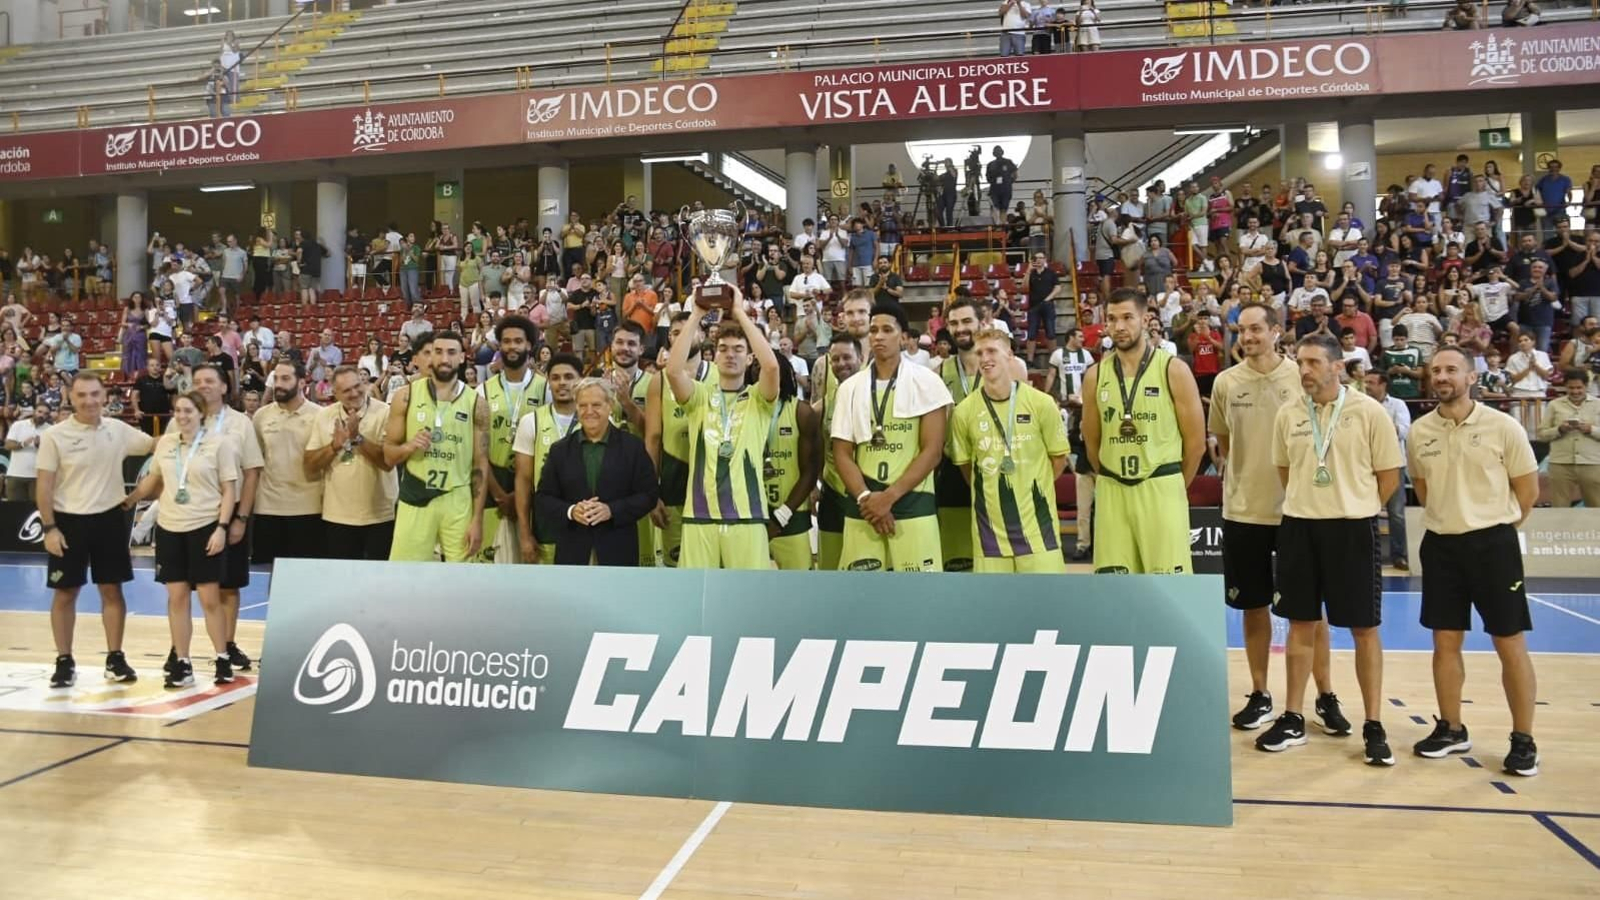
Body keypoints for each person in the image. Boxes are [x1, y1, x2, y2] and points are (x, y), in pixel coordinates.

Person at [1261, 333, 1403, 766]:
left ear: (1337, 366)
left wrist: (1355, 507)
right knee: (1300, 625)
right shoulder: (1288, 414)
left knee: (1363, 630)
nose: (1304, 370)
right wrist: (1313, 503)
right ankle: (1293, 716)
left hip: (1352, 530)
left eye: (1313, 363)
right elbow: (1287, 471)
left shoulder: (1368, 412)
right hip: (1300, 528)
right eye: (1300, 362)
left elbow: (1389, 476)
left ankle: (1374, 725)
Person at [1210, 306, 1346, 734]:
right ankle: (1260, 693)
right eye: (1242, 329)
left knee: (1310, 611)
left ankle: (1324, 695)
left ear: (1275, 331)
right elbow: (1227, 442)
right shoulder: (1225, 382)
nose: (1248, 336)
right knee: (1253, 605)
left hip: (1299, 510)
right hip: (1244, 510)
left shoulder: (1300, 376)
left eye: (1256, 328)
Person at [1407, 346, 1541, 776]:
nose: (1442, 376)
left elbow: (1528, 492)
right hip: (1442, 546)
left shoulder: (1504, 426)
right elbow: (1424, 490)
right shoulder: (1420, 431)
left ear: (1470, 378)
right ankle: (1451, 727)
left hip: (1494, 547)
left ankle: (1523, 739)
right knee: (1445, 643)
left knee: (1509, 642)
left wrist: (1491, 526)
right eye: (1436, 370)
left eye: (1451, 370)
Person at [35, 373, 157, 688]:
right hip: (68, 521)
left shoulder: (118, 430)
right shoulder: (55, 436)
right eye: (82, 395)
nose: (89, 401)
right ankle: (64, 660)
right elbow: (44, 487)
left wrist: (194, 429)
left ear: (105, 396)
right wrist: (49, 528)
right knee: (65, 593)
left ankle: (115, 658)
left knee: (112, 590)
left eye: (94, 394)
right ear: (71, 398)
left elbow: (158, 446)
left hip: (109, 520)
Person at [1079, 289, 1206, 574]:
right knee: (1115, 592)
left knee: (1167, 589)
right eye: (1112, 319)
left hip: (1161, 487)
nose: (1119, 326)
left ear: (1146, 319)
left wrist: (1171, 484)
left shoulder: (1173, 369)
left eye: (1127, 317)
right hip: (1113, 490)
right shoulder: (1094, 376)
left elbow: (1196, 444)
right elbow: (1092, 441)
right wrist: (1112, 476)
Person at [123, 391, 238, 688]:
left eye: (188, 410)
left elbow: (229, 490)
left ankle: (222, 657)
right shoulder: (166, 444)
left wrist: (222, 528)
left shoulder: (219, 444)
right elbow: (154, 480)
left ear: (201, 413)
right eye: (178, 411)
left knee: (210, 599)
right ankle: (183, 662)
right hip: (170, 529)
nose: (182, 416)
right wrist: (130, 499)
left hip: (204, 526)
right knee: (177, 598)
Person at [830, 302, 952, 571]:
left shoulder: (928, 382)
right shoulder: (850, 388)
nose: (878, 336)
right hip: (863, 507)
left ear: (904, 337)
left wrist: (889, 497)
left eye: (887, 329)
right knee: (860, 602)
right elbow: (841, 453)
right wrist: (866, 498)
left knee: (920, 600)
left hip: (913, 503)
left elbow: (932, 451)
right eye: (873, 330)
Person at [665, 287, 781, 569]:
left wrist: (740, 313)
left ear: (749, 358)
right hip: (699, 515)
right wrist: (696, 314)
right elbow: (672, 371)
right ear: (713, 356)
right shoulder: (701, 395)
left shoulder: (758, 398)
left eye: (739, 350)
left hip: (747, 515)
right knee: (694, 600)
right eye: (723, 349)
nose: (730, 355)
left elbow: (772, 368)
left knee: (749, 601)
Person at [949, 329, 1070, 573]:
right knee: (994, 608)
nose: (984, 358)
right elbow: (966, 466)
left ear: (1009, 355)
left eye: (991, 351)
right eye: (979, 353)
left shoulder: (1041, 403)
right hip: (989, 532)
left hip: (1039, 528)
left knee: (1045, 605)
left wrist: (1032, 482)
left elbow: (1059, 458)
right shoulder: (963, 411)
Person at [383, 331, 490, 562]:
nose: (444, 358)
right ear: (430, 358)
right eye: (438, 352)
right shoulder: (406, 396)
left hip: (457, 498)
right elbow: (389, 456)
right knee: (405, 576)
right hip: (416, 495)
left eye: (451, 352)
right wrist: (409, 447)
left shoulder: (477, 404)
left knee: (462, 577)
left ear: (462, 357)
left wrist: (478, 519)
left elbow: (480, 464)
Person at [533, 377, 660, 566]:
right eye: (583, 405)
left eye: (596, 405)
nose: (589, 411)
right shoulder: (559, 450)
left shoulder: (632, 447)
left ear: (610, 406)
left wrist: (612, 510)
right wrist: (571, 511)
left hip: (618, 549)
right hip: (572, 550)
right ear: (576, 407)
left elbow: (649, 495)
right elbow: (543, 498)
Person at [190, 363, 261, 673]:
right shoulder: (184, 417)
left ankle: (228, 645)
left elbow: (251, 472)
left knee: (229, 585)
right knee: (188, 588)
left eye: (209, 381)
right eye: (197, 381)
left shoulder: (240, 423)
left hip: (228, 514)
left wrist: (240, 518)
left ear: (223, 387)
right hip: (191, 515)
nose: (203, 385)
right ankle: (178, 649)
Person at [305, 365, 397, 561]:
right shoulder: (324, 416)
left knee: (379, 582)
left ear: (364, 383)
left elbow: (388, 463)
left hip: (380, 516)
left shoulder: (385, 412)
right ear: (335, 393)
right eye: (346, 390)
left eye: (358, 386)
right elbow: (310, 466)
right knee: (341, 582)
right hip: (337, 516)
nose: (355, 393)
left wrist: (357, 439)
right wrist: (334, 446)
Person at [811, 290, 872, 570]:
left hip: (872, 484)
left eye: (862, 312)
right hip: (834, 485)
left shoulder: (885, 361)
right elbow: (815, 423)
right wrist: (813, 482)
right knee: (831, 563)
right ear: (841, 317)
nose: (856, 318)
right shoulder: (824, 365)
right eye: (850, 313)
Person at [477, 315, 546, 563]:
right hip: (494, 480)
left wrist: (521, 494)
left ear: (529, 345)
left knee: (532, 556)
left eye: (518, 341)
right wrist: (498, 493)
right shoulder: (482, 390)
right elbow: (479, 451)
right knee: (491, 558)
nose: (512, 346)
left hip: (535, 480)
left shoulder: (546, 388)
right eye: (506, 341)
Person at [251, 361, 324, 564]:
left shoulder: (319, 416)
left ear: (302, 382)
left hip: (308, 509)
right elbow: (256, 463)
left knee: (305, 578)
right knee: (266, 578)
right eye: (275, 379)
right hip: (268, 509)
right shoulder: (261, 416)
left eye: (285, 379)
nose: (278, 384)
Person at [513, 353, 584, 565]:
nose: (562, 383)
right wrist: (525, 535)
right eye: (555, 377)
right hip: (546, 521)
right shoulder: (531, 421)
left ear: (580, 380)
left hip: (587, 520)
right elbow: (523, 481)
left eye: (569, 377)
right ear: (548, 382)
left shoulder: (598, 420)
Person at [762, 354, 819, 570]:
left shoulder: (802, 412)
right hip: (752, 515)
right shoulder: (741, 411)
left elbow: (810, 471)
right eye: (757, 368)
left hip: (790, 514)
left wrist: (782, 515)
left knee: (799, 589)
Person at [1364, 371, 1413, 571]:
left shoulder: (1398, 405)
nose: (1367, 386)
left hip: (1394, 465)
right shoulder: (1360, 406)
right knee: (1365, 512)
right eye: (1365, 382)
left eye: (1371, 382)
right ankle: (1368, 557)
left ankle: (1399, 556)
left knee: (1397, 514)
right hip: (1367, 466)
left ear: (1383, 384)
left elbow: (1403, 431)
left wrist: (1379, 421)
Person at [1535, 369, 1600, 507]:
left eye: (1579, 388)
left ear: (1586, 386)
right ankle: (1560, 530)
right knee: (1559, 507)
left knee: (1596, 508)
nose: (1575, 391)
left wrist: (1591, 430)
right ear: (1565, 387)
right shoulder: (1554, 405)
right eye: (1571, 388)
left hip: (1592, 464)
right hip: (1560, 464)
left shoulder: (1598, 404)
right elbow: (1541, 434)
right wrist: (1559, 429)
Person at [4, 403, 50, 502]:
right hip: (16, 474)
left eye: (46, 414)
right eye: (40, 412)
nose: (42, 415)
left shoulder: (50, 429)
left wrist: (39, 445)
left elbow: (53, 453)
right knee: (15, 508)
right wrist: (23, 444)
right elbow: (8, 445)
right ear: (34, 412)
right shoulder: (18, 425)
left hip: (37, 476)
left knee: (35, 510)